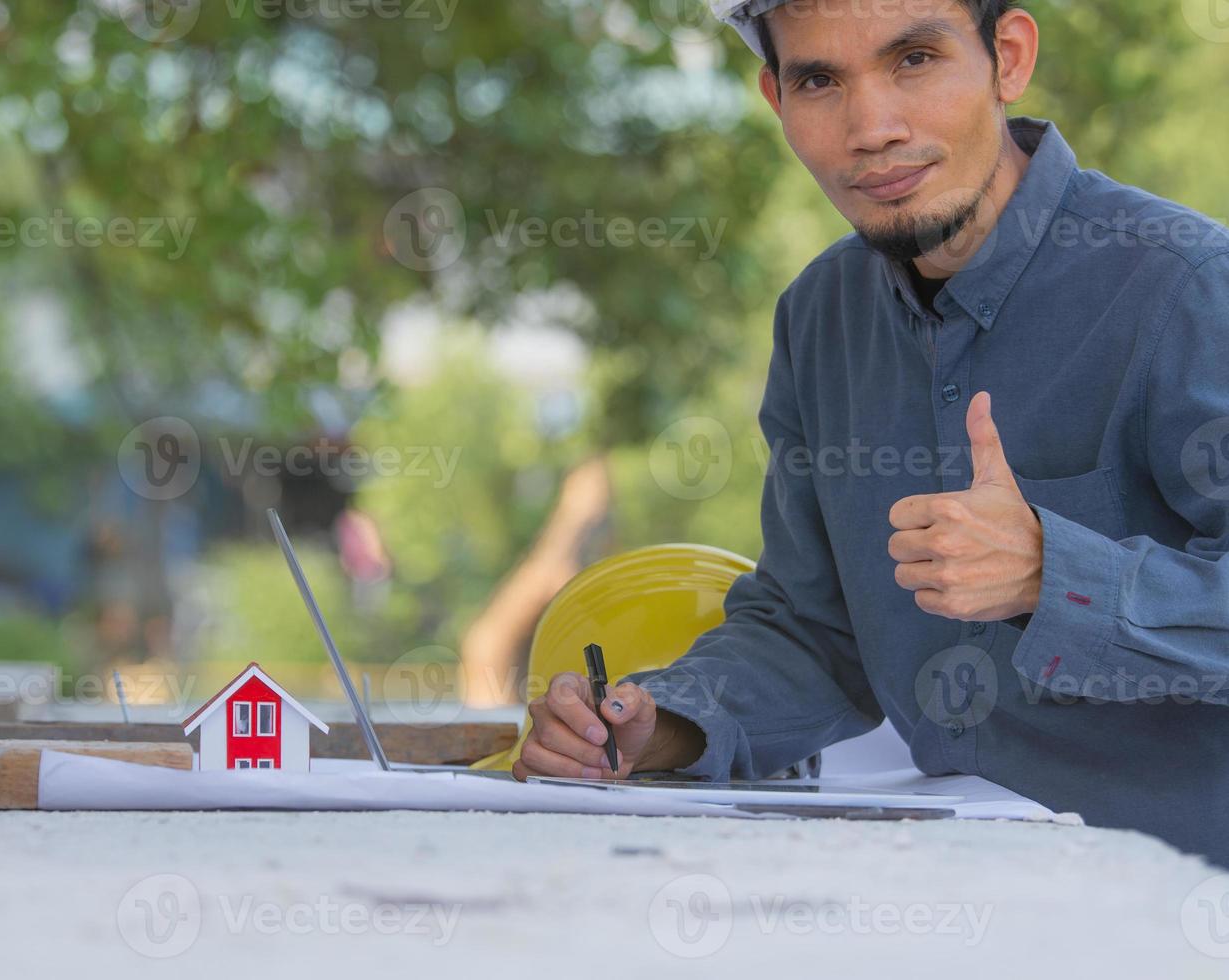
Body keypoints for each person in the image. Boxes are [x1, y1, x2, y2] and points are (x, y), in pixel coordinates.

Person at [512, 0, 1229, 866]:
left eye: (915, 59)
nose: (873, 128)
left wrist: (1055, 574)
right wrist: (656, 727)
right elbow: (818, 633)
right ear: (778, 100)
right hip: (945, 906)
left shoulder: (1186, 285)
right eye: (820, 80)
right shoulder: (821, 316)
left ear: (1007, 57)